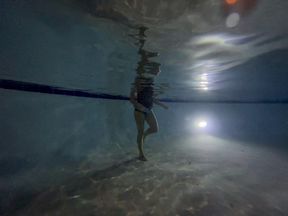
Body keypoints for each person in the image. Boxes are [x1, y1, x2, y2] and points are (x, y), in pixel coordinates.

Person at [130, 74, 168, 161]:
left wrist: (162, 105)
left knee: (155, 128)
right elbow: (132, 99)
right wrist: (141, 107)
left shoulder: (150, 87)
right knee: (140, 131)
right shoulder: (138, 85)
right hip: (139, 111)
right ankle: (141, 154)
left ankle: (144, 136)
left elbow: (151, 98)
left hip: (148, 110)